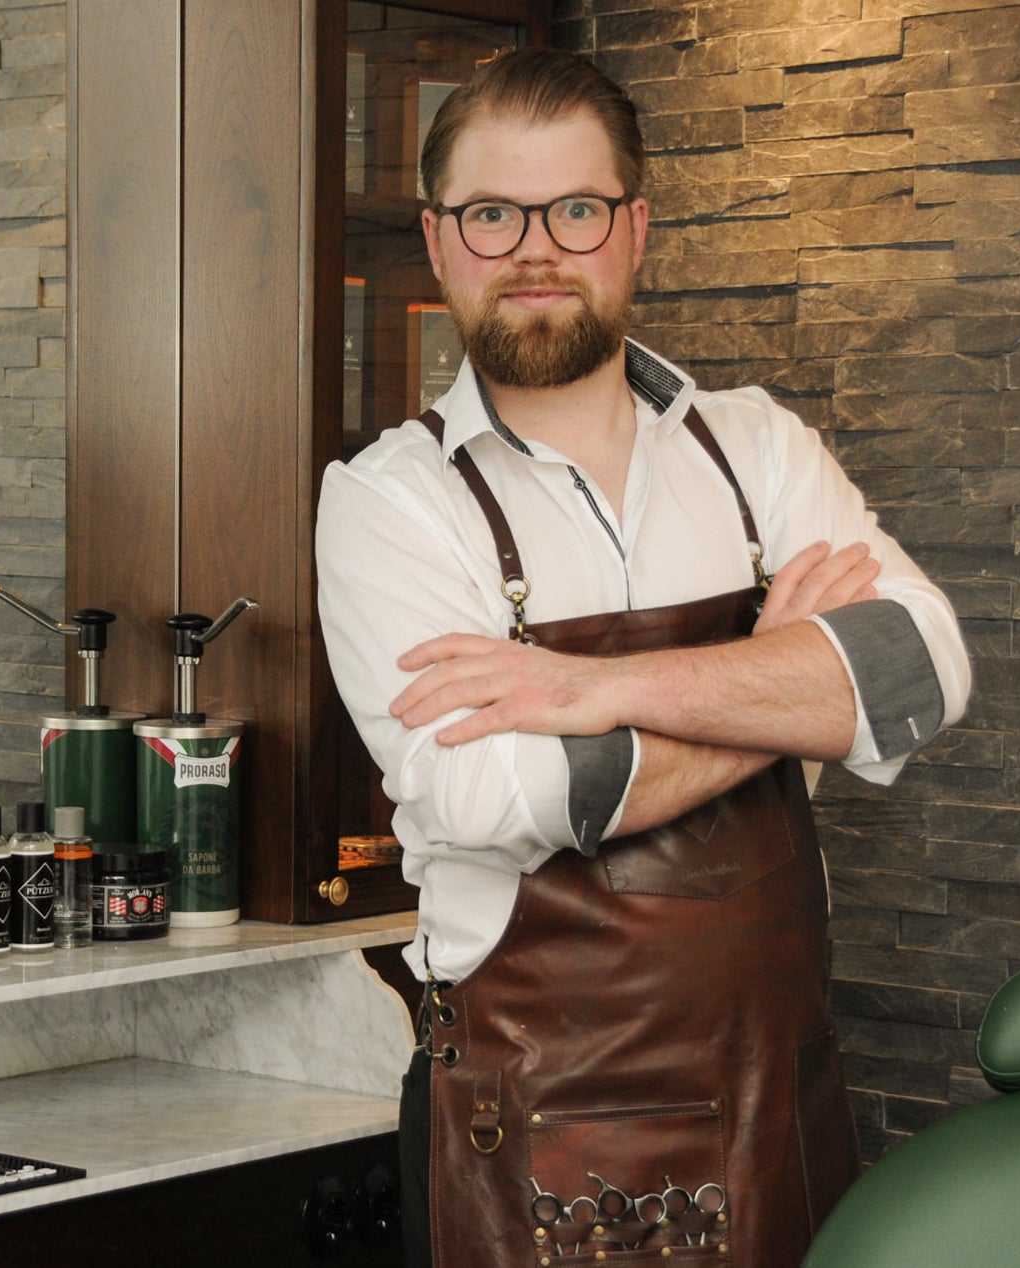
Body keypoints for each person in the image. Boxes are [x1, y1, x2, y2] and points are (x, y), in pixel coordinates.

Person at [316, 49, 970, 1268]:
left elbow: (917, 673)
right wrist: (779, 673)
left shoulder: (755, 446)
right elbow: (493, 794)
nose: (534, 247)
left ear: (634, 228)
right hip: (536, 1127)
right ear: (441, 238)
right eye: (490, 213)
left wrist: (593, 688)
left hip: (781, 1093)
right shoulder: (390, 500)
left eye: (575, 208)